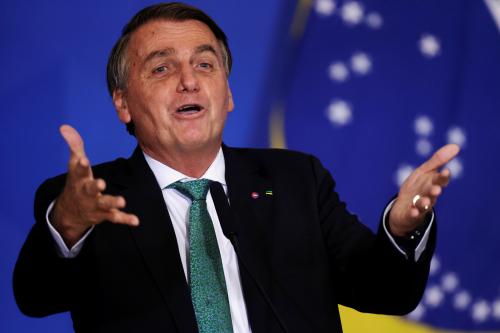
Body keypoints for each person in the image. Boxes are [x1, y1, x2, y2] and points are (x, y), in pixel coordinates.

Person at [13, 2, 459, 333]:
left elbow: (386, 291)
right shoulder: (91, 200)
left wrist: (402, 230)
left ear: (227, 94)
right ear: (123, 103)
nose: (188, 80)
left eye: (204, 64)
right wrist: (68, 223)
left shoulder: (295, 181)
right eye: (162, 67)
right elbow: (34, 298)